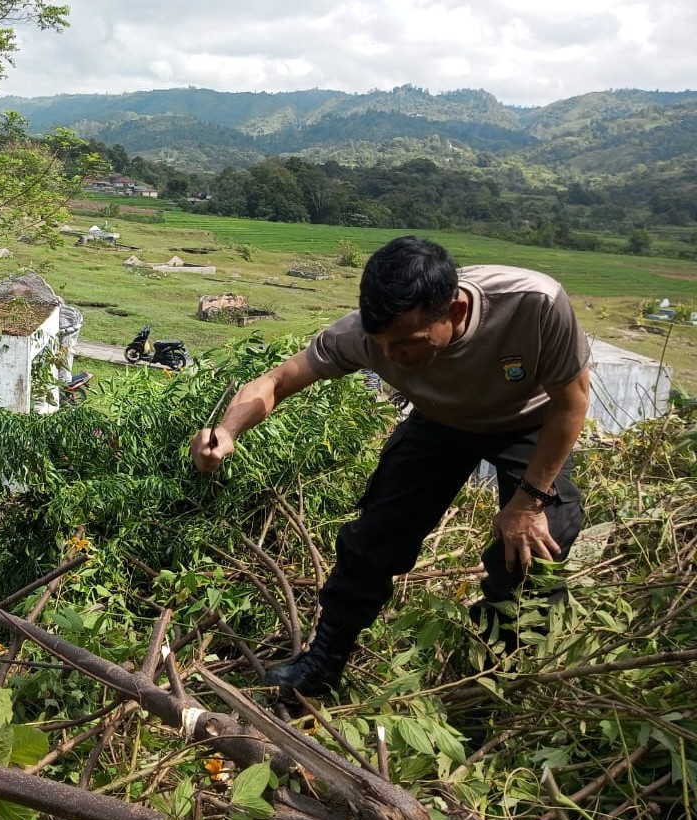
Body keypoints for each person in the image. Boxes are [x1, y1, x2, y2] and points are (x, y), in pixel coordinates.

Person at [191, 236, 591, 698]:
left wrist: (527, 502)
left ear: (455, 313)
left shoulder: (534, 303)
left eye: (409, 344)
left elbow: (571, 405)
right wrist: (227, 430)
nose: (394, 357)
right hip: (439, 421)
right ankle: (323, 661)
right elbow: (276, 381)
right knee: (372, 541)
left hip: (531, 424)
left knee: (534, 547)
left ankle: (502, 682)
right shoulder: (365, 335)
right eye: (383, 346)